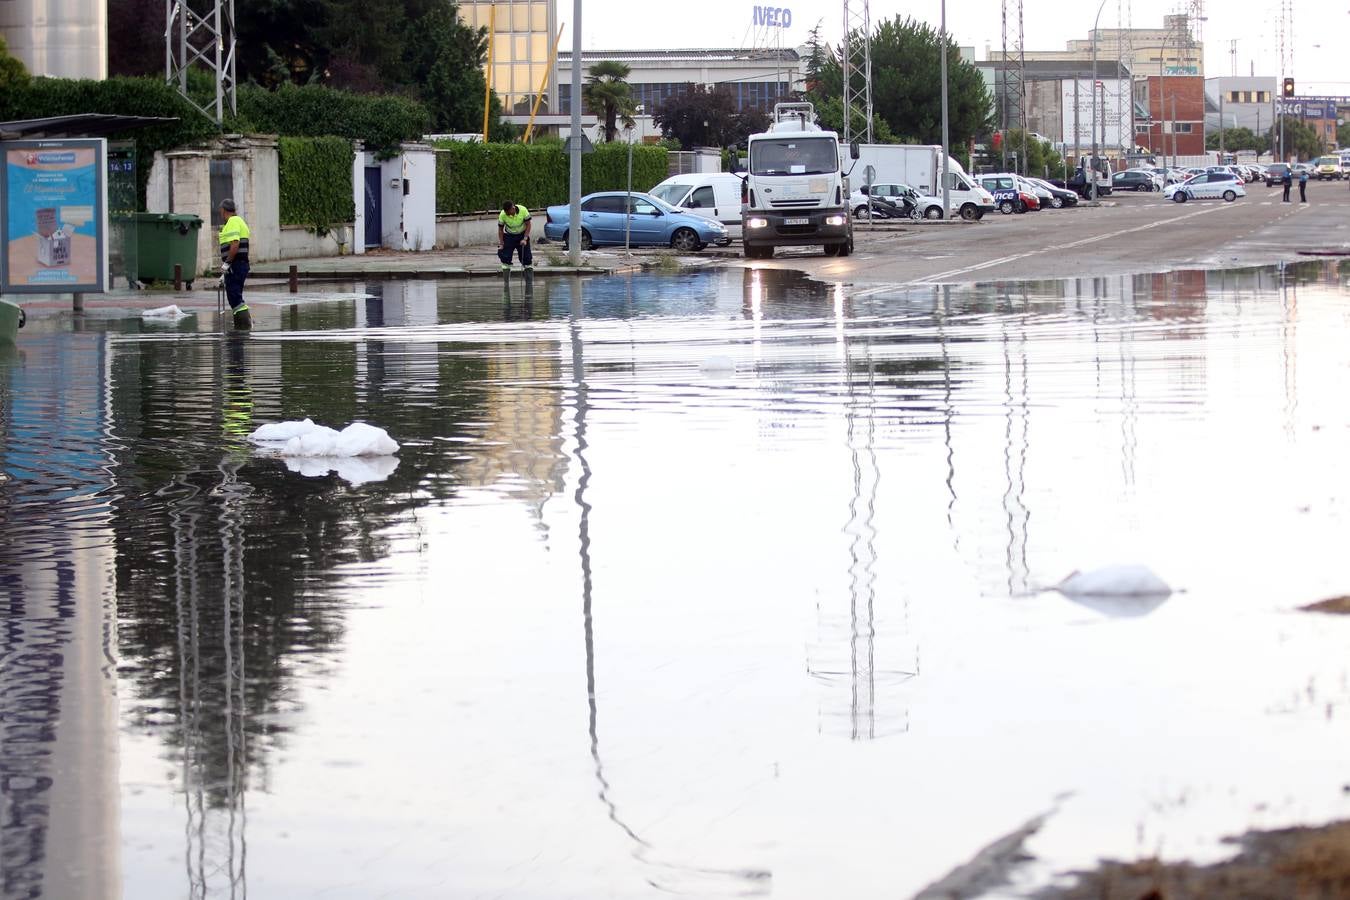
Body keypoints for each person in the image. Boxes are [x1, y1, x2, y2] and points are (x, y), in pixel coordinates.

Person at [218, 199, 251, 329]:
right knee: (235, 296)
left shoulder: (232, 222)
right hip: (239, 264)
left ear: (223, 210)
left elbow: (235, 244)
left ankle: (243, 328)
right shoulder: (239, 221)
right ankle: (242, 327)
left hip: (235, 265)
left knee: (234, 297)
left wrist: (227, 263)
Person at [497, 201, 533, 274]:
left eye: (509, 213)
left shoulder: (523, 210)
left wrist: (525, 239)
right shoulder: (503, 214)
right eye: (506, 213)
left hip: (522, 235)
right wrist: (501, 243)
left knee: (526, 258)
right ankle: (506, 283)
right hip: (509, 236)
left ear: (513, 208)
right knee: (505, 257)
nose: (508, 214)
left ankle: (529, 283)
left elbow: (528, 225)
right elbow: (500, 230)